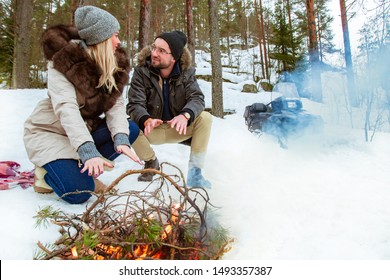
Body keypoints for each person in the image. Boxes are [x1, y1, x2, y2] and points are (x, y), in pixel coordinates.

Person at [23, 6, 142, 204]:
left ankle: (79, 166)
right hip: (51, 132)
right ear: (100, 39)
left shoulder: (111, 64)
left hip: (82, 131)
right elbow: (67, 110)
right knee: (79, 194)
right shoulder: (63, 65)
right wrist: (87, 150)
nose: (119, 41)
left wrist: (121, 139)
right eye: (115, 35)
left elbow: (116, 106)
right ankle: (47, 173)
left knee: (129, 129)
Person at [127, 31, 213, 188]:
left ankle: (195, 173)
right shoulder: (141, 72)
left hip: (178, 128)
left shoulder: (186, 73)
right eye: (154, 48)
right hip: (151, 128)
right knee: (127, 125)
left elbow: (197, 98)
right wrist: (146, 119)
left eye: (161, 51)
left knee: (205, 118)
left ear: (174, 57)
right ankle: (151, 162)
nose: (154, 53)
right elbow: (134, 104)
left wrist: (185, 115)